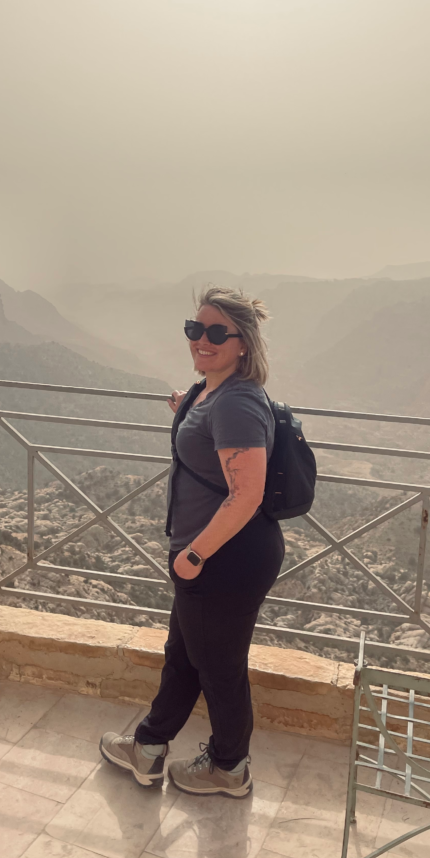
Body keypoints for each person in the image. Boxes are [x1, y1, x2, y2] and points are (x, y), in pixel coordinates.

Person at [99, 285, 283, 798]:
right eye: (194, 329)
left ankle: (230, 767)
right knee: (185, 655)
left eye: (216, 332)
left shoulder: (238, 402)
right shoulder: (212, 391)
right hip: (207, 556)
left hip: (224, 557)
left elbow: (247, 494)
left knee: (219, 668)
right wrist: (187, 410)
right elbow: (211, 438)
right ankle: (150, 747)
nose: (202, 340)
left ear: (243, 341)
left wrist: (194, 555)